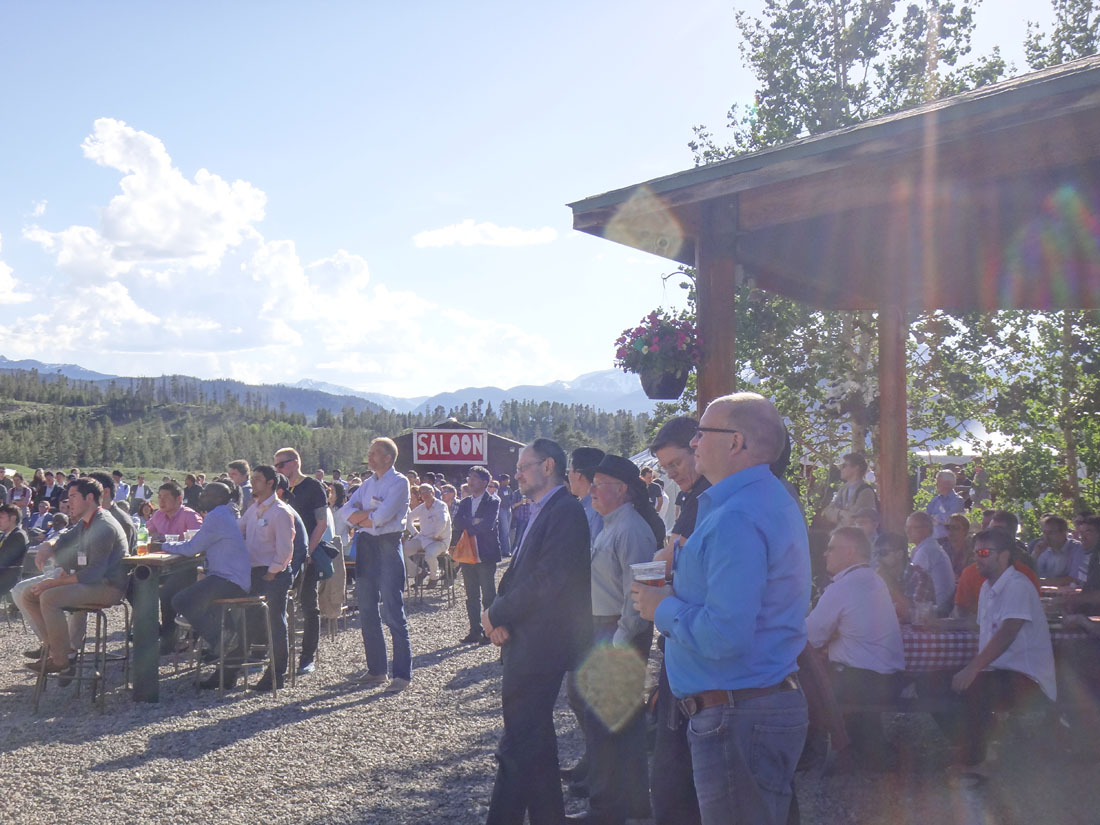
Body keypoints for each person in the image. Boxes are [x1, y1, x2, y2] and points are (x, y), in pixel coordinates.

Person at [631, 393, 810, 825]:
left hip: (737, 712)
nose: (694, 442)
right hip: (749, 705)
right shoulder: (760, 499)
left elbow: (724, 634)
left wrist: (662, 607)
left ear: (735, 442)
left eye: (701, 433)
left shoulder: (736, 515)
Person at [482, 438, 591, 825]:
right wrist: (500, 616)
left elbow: (548, 580)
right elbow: (520, 575)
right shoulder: (544, 509)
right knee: (534, 742)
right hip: (527, 638)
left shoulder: (565, 511)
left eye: (523, 467)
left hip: (540, 645)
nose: (517, 475)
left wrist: (497, 612)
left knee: (518, 742)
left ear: (548, 466)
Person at [568, 454, 659, 825]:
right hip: (606, 628)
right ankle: (631, 806)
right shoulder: (613, 524)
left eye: (599, 484)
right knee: (619, 724)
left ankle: (607, 809)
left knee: (605, 723)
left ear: (622, 490)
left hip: (618, 632)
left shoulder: (632, 530)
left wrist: (619, 642)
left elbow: (637, 594)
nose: (591, 489)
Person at [646, 414, 711, 825]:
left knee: (676, 770)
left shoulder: (709, 499)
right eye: (665, 468)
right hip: (684, 633)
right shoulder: (697, 497)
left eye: (676, 464)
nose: (672, 474)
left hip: (695, 642)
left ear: (699, 448)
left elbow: (668, 558)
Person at [948, 528, 1056, 770]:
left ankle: (976, 763)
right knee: (940, 682)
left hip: (1027, 676)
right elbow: (977, 625)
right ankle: (974, 749)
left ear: (1004, 555)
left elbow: (1008, 632)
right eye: (975, 552)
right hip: (1000, 671)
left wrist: (972, 669)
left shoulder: (1017, 585)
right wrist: (939, 624)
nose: (977, 558)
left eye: (984, 552)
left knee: (973, 686)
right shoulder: (988, 587)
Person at [806, 527, 904, 765]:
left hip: (863, 682)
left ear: (850, 552)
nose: (825, 554)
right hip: (890, 681)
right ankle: (859, 744)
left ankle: (821, 748)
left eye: (831, 548)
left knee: (802, 673)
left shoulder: (844, 586)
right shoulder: (873, 579)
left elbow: (810, 636)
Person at [21, 477, 128, 677]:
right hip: (91, 582)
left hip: (109, 587)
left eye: (73, 496)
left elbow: (94, 572)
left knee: (49, 597)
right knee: (29, 594)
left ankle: (61, 660)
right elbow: (63, 539)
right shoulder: (86, 522)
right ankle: (55, 650)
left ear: (89, 498)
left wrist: (55, 582)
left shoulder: (104, 525)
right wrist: (47, 546)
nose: (68, 502)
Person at [338, 437, 412, 693]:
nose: (369, 457)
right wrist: (366, 518)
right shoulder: (367, 484)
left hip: (388, 545)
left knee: (393, 610)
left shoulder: (399, 482)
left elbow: (382, 517)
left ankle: (402, 674)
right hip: (367, 545)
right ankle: (377, 670)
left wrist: (361, 517)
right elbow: (344, 512)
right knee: (367, 609)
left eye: (374, 453)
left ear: (388, 458)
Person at [160, 482, 252, 688]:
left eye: (206, 494)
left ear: (218, 498)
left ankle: (221, 639)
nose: (201, 496)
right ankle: (223, 644)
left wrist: (163, 545)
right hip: (234, 577)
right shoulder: (226, 513)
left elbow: (192, 548)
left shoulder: (217, 516)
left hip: (228, 578)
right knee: (196, 601)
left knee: (181, 600)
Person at [237, 464, 296, 691]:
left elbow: (285, 549)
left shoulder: (280, 512)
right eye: (253, 478)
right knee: (248, 618)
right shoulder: (254, 509)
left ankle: (276, 674)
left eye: (258, 479)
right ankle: (233, 666)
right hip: (255, 571)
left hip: (274, 574)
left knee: (276, 623)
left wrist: (272, 572)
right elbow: (239, 530)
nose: (253, 482)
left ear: (271, 483)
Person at [273, 447, 328, 677]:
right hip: (281, 554)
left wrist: (308, 551)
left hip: (306, 554)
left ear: (295, 462)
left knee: (308, 604)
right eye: (275, 465)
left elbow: (321, 523)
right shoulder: (279, 487)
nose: (277, 469)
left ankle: (307, 657)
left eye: (281, 464)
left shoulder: (313, 486)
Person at [146, 481, 203, 649]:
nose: (161, 501)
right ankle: (153, 628)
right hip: (164, 566)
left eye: (166, 497)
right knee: (134, 584)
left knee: (166, 592)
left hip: (188, 567)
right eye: (159, 497)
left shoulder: (190, 516)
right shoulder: (158, 515)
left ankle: (168, 637)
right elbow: (144, 533)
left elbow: (199, 544)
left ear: (178, 499)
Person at [453, 465, 501, 646]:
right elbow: (457, 523)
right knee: (471, 595)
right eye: (469, 477)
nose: (470, 481)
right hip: (468, 554)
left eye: (474, 478)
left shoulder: (493, 501)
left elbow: (488, 525)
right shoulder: (465, 502)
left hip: (485, 553)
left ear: (484, 482)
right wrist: (473, 522)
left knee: (488, 594)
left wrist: (469, 524)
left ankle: (489, 631)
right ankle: (475, 630)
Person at [873, 531, 936, 624]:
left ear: (899, 554)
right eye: (875, 553)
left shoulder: (920, 576)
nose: (877, 558)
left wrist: (888, 581)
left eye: (883, 553)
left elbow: (915, 616)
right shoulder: (877, 578)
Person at [905, 511, 957, 616]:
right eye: (907, 527)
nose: (908, 531)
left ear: (927, 529)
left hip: (935, 611)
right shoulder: (928, 547)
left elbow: (910, 585)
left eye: (913, 527)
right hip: (938, 607)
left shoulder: (926, 551)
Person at [404, 483, 451, 584]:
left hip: (439, 540)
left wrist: (436, 535)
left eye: (427, 492)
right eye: (422, 493)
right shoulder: (422, 507)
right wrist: (415, 533)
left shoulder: (441, 505)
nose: (424, 495)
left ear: (433, 492)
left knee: (430, 555)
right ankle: (418, 572)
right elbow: (408, 519)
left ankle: (434, 578)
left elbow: (443, 521)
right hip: (423, 538)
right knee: (401, 551)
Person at [820, 453, 877, 528]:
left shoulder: (865, 491)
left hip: (858, 534)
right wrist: (842, 513)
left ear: (856, 468)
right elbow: (827, 511)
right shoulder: (843, 489)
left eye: (844, 466)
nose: (841, 469)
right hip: (843, 533)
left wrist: (837, 515)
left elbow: (853, 518)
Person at [1033, 514, 1085, 583]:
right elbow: (1029, 574)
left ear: (1064, 533)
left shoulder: (1077, 549)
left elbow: (1073, 578)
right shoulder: (1042, 549)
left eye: (1050, 533)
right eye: (1044, 532)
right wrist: (1035, 555)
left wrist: (1041, 582)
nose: (1046, 537)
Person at [570, 446, 606, 542]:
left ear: (578, 474)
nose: (568, 476)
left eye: (570, 471)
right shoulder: (584, 507)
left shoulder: (597, 510)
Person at [926, 470, 965, 541]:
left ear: (947, 483)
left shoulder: (958, 501)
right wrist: (938, 519)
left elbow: (950, 520)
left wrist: (935, 518)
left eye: (938, 481)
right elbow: (925, 517)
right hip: (932, 540)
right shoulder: (935, 500)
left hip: (949, 541)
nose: (936, 484)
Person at [0, 504, 29, 598]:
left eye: (1, 517)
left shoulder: (18, 535)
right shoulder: (5, 535)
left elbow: (4, 559)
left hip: (8, 578)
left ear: (13, 518)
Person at [940, 513, 972, 578]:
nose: (950, 530)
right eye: (948, 527)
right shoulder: (942, 550)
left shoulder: (973, 549)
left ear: (965, 531)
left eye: (955, 527)